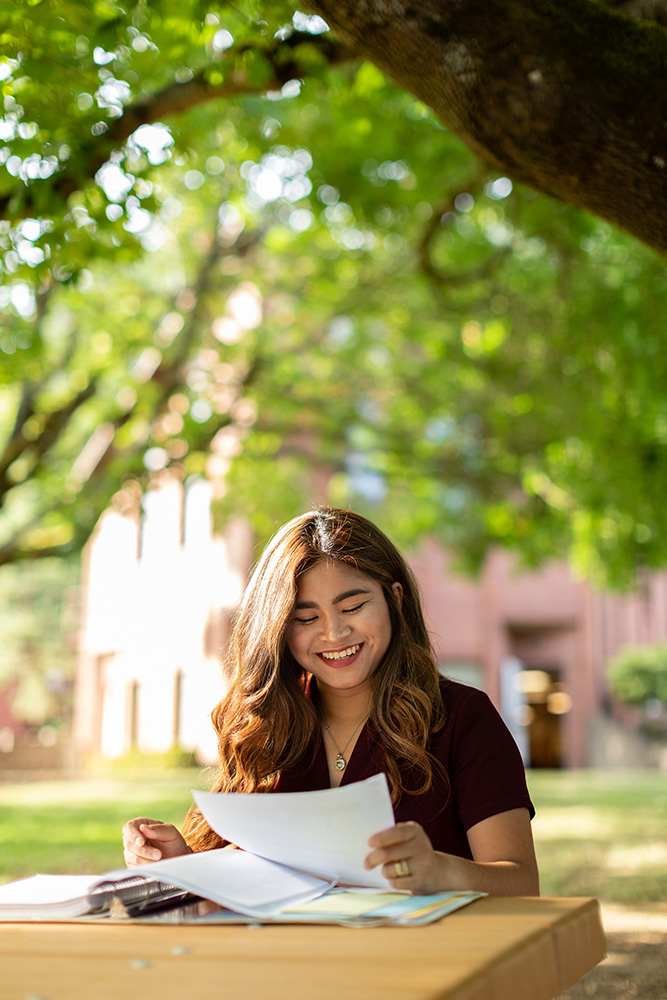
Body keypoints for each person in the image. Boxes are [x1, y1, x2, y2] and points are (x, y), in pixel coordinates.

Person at [122, 507, 539, 896]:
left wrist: (442, 871)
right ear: (280, 629)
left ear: (394, 599)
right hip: (296, 967)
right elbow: (252, 881)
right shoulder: (266, 727)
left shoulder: (462, 718)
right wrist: (184, 865)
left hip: (423, 964)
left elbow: (522, 883)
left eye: (353, 606)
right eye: (305, 618)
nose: (334, 633)